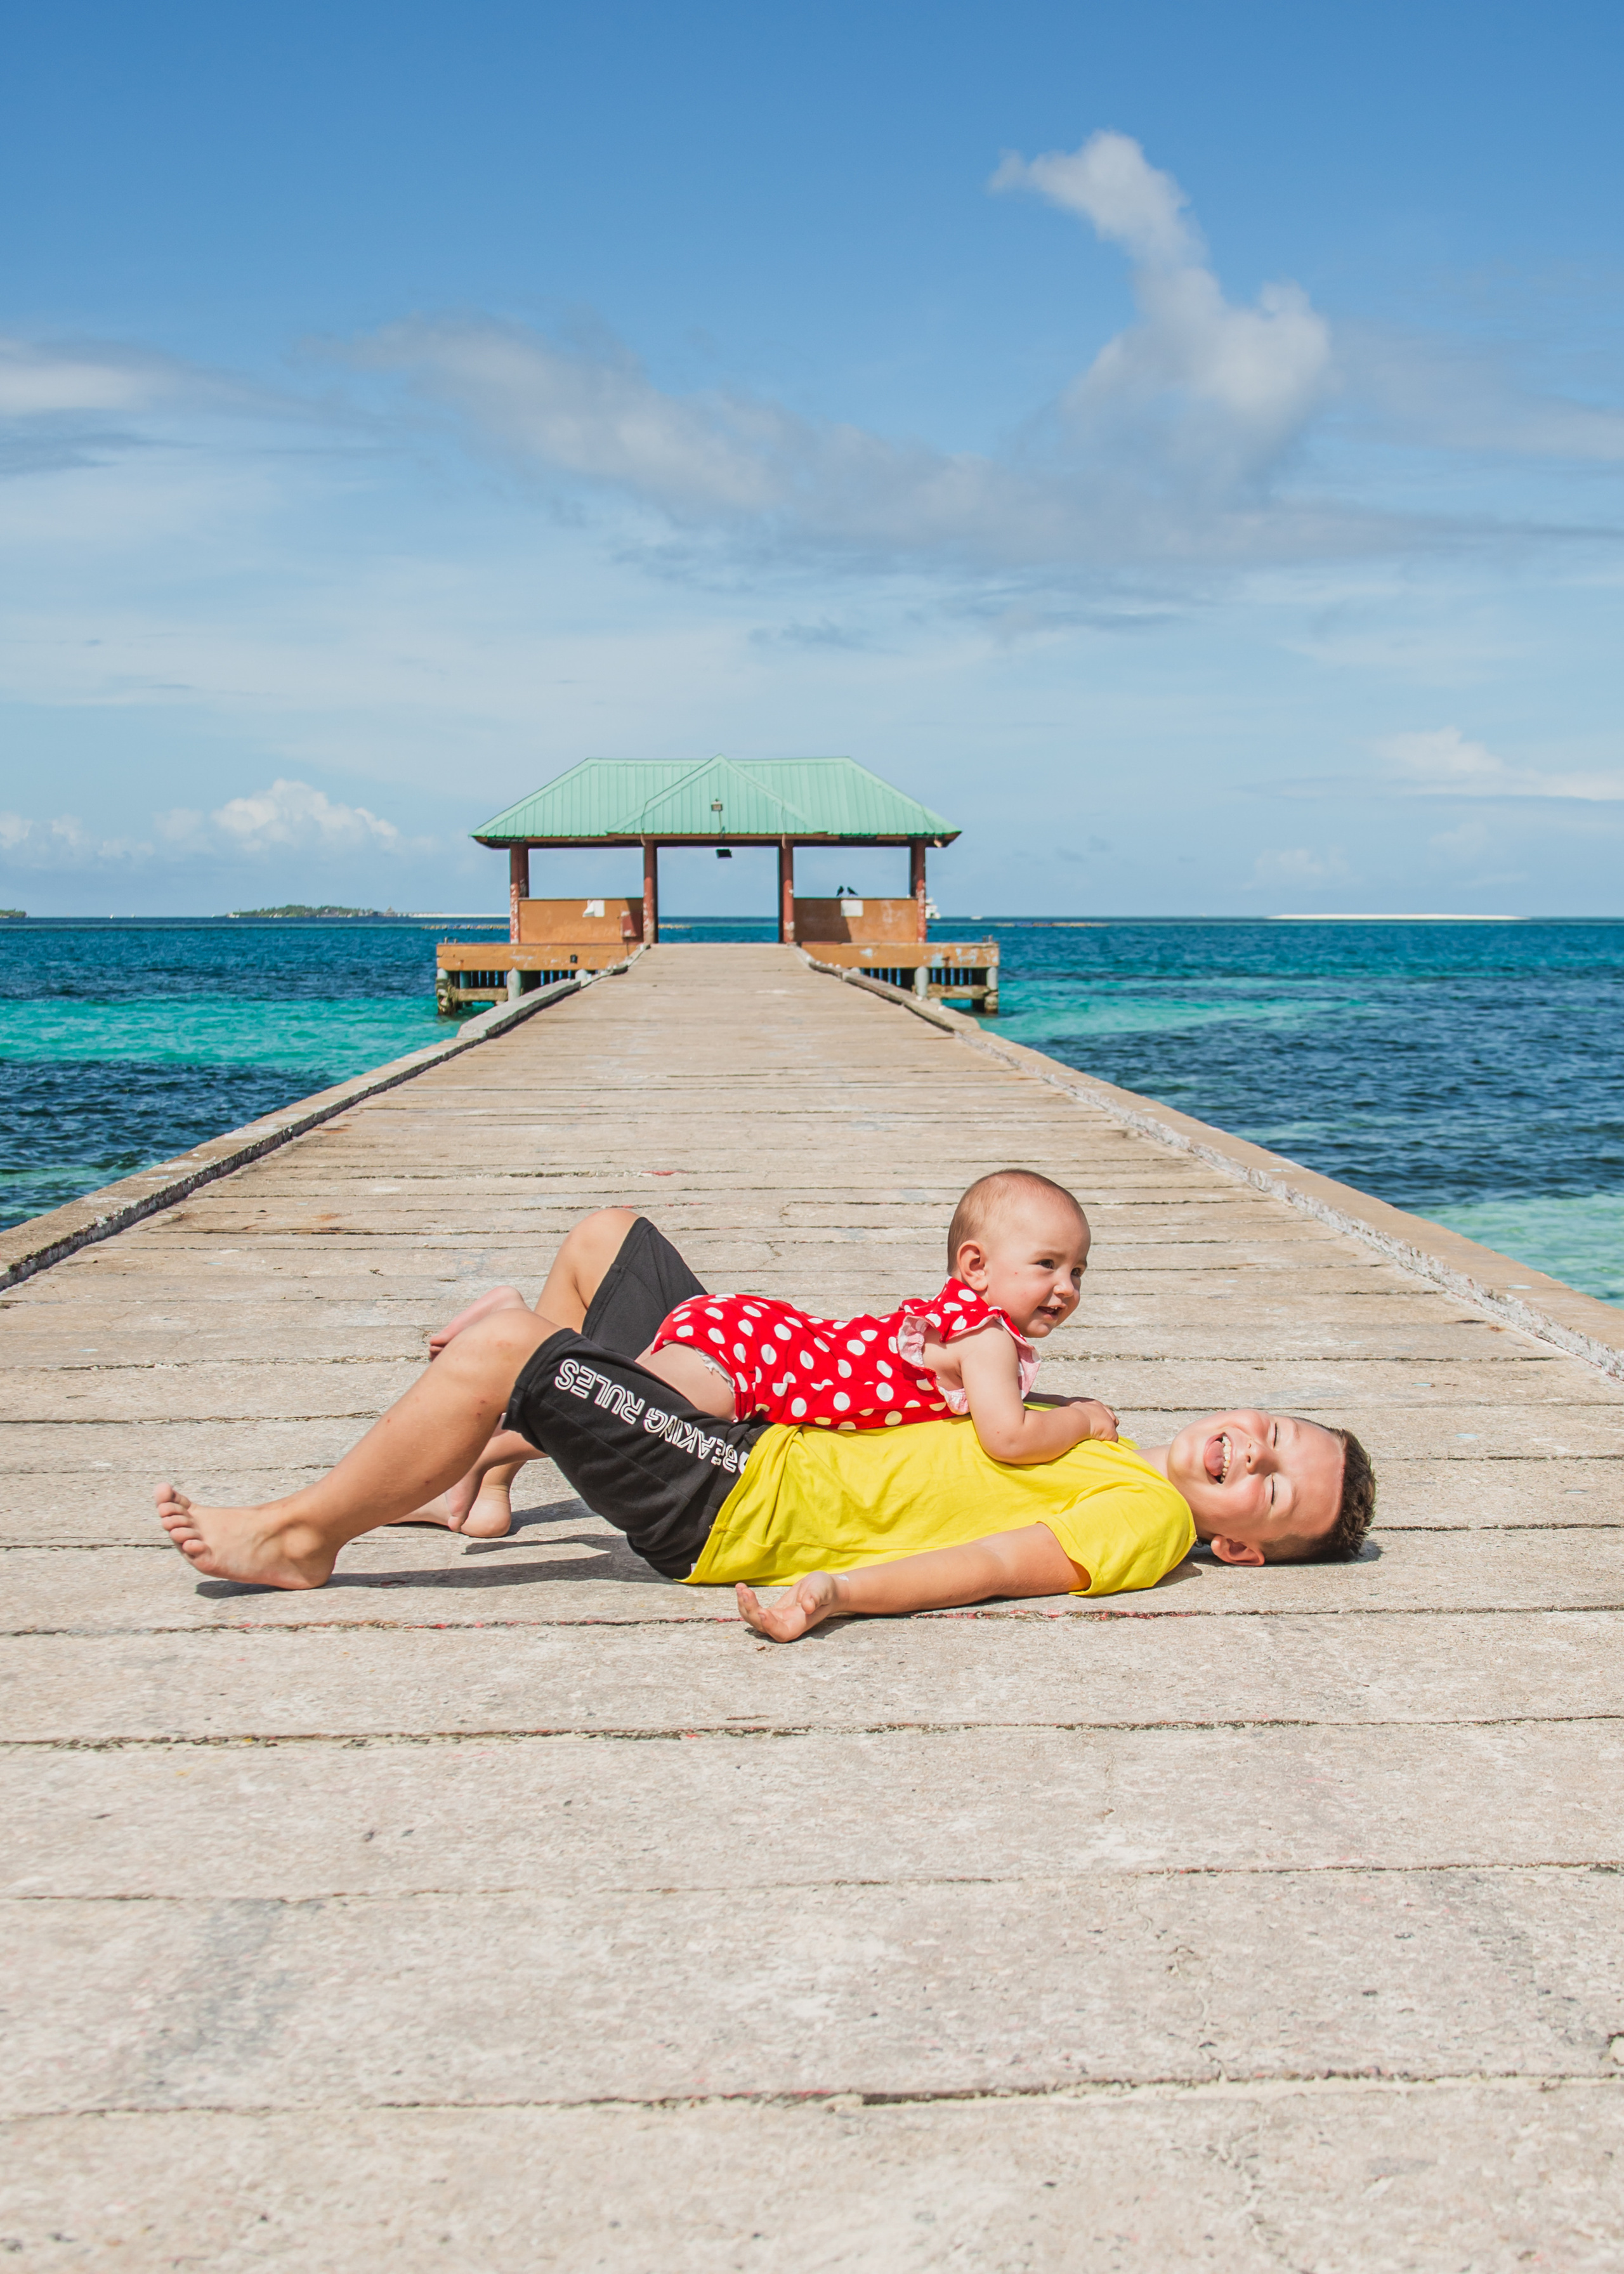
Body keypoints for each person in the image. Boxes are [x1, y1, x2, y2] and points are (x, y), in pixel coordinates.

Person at [154, 1214, 1377, 1631]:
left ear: (1242, 1547)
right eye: (1269, 1433)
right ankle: (477, 1485)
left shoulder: (1146, 1519)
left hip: (736, 1499)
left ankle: (305, 1536)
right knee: (608, 1240)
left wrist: (835, 1593)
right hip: (758, 1433)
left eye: (1270, 1488)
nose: (1247, 1453)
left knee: (505, 1349)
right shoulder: (1095, 1436)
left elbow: (999, 1566)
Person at [418, 1172, 1115, 1539]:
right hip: (748, 1362)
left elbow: (987, 1407)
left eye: (1077, 1272)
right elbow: (1007, 1437)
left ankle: (485, 1488)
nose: (1064, 1288)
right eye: (1047, 1264)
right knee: (607, 1400)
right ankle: (497, 1394)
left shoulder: (964, 1319)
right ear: (976, 1265)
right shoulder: (987, 1336)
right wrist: (1081, 1419)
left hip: (757, 1339)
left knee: (614, 1393)